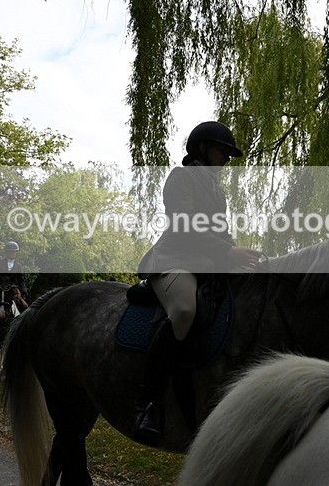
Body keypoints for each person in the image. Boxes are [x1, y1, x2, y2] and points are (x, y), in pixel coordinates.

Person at [132, 121, 262, 446]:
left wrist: (237, 254)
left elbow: (220, 231)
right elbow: (183, 224)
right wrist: (226, 250)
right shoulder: (182, 177)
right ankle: (147, 402)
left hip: (209, 265)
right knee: (186, 309)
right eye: (223, 151)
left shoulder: (217, 190)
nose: (227, 159)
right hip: (174, 261)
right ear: (203, 148)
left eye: (230, 155)